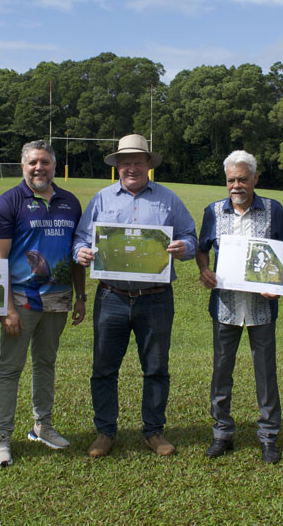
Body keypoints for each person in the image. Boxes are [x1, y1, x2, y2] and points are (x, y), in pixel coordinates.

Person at [73, 134, 198, 458]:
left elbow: (189, 236)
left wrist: (185, 248)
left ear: (148, 166)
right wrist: (82, 252)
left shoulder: (169, 200)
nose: (131, 168)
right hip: (111, 297)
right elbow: (81, 239)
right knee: (103, 368)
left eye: (137, 162)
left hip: (155, 298)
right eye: (125, 163)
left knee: (156, 367)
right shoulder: (101, 199)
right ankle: (105, 432)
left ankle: (154, 431)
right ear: (117, 167)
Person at [0, 140, 86, 466]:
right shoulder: (7, 203)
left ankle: (42, 426)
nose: (38, 168)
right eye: (32, 163)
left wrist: (80, 295)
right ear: (23, 165)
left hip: (59, 300)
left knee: (46, 363)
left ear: (54, 165)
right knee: (10, 368)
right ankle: (3, 438)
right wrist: (7, 309)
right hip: (21, 301)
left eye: (44, 162)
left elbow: (76, 256)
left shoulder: (70, 203)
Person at [196, 150, 283, 464]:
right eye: (231, 180)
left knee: (266, 373)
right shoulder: (213, 211)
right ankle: (222, 433)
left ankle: (268, 437)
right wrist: (204, 270)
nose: (236, 185)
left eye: (242, 179)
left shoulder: (273, 210)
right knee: (221, 372)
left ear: (255, 179)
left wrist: (278, 286)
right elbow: (202, 249)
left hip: (261, 310)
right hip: (225, 307)